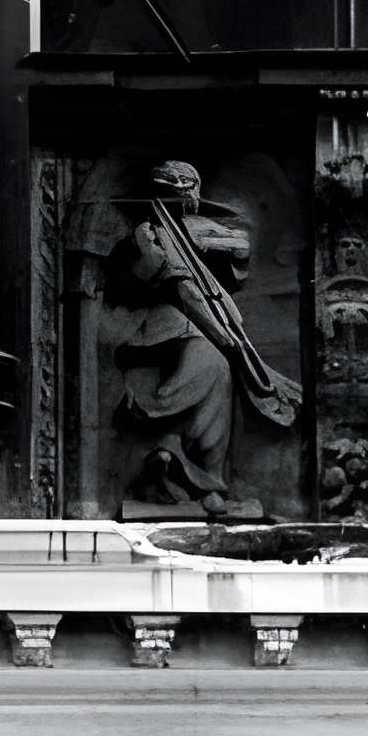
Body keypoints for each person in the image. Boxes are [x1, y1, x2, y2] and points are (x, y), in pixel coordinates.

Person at [109, 160, 294, 514]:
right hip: (157, 319)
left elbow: (238, 250)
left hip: (189, 317)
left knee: (219, 369)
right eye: (191, 189)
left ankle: (186, 462)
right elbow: (169, 287)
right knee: (213, 362)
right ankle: (160, 424)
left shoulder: (189, 229)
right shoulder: (149, 232)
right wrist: (221, 335)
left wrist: (215, 244)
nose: (196, 197)